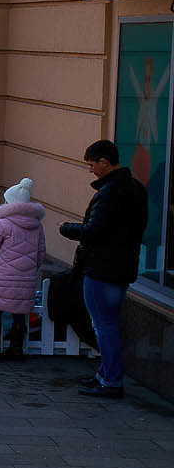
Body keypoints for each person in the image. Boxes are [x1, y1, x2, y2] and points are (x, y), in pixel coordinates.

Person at [60, 139, 150, 398]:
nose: (91, 170)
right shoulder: (134, 189)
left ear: (104, 162)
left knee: (104, 325)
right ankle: (105, 374)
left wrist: (68, 229)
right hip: (122, 267)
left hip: (102, 269)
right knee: (108, 323)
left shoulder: (111, 192)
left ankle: (110, 380)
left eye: (92, 165)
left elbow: (94, 230)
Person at [0, 178, 44, 362]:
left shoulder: (2, 224)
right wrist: (30, 270)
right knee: (20, 313)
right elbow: (41, 253)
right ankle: (16, 348)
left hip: (3, 277)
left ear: (10, 202)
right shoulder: (37, 226)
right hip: (26, 278)